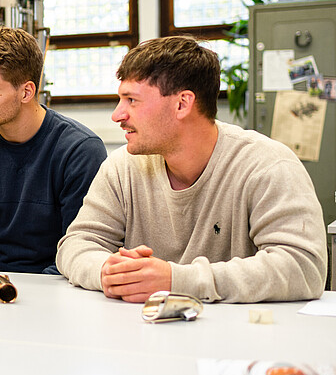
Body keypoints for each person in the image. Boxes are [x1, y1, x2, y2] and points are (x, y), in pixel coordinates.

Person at [56, 36, 326, 303]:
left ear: (182, 103)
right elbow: (77, 244)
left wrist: (177, 281)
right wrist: (110, 272)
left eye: (132, 100)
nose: (117, 115)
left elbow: (304, 267)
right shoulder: (123, 166)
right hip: (144, 335)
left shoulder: (266, 165)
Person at [0, 27, 106, 273]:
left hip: (58, 289)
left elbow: (79, 252)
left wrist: (26, 297)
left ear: (27, 91)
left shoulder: (79, 152)